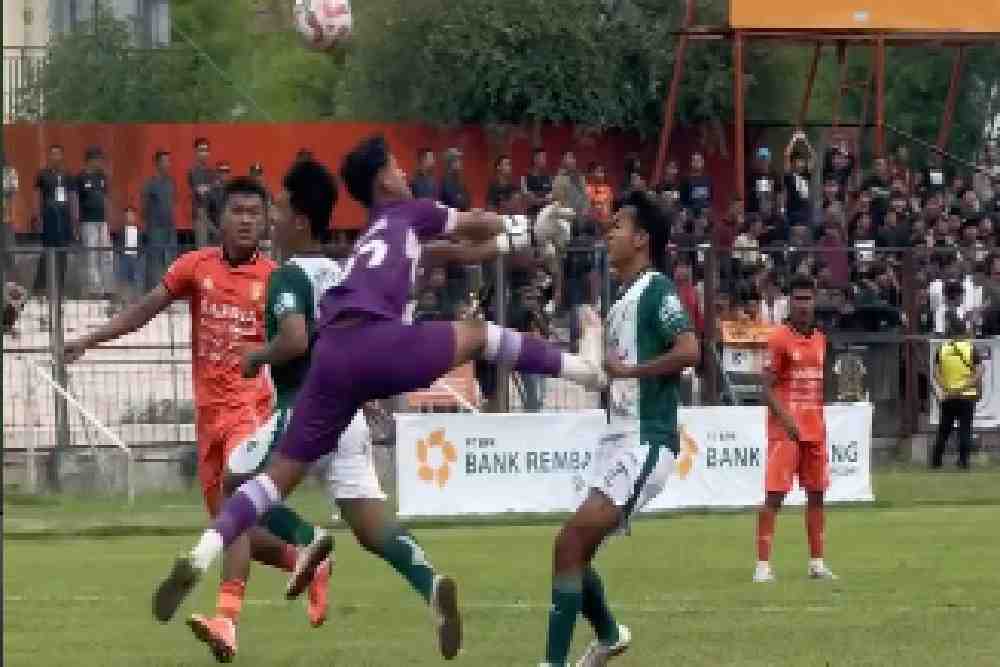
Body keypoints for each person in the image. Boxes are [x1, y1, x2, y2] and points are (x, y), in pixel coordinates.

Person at [152, 135, 608, 658]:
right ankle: (585, 373)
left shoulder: (330, 257)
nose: (269, 219)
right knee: (376, 512)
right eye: (397, 164)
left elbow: (304, 334)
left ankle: (206, 559)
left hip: (324, 384)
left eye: (274, 209)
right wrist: (527, 231)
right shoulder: (370, 243)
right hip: (368, 375)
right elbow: (467, 234)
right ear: (384, 178)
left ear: (297, 220)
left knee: (253, 482)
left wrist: (256, 358)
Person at [539, 190, 699, 667]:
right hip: (617, 439)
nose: (609, 234)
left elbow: (689, 350)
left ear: (642, 238)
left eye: (617, 227)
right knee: (573, 552)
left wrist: (630, 373)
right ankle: (608, 635)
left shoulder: (658, 290)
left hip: (647, 440)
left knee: (568, 544)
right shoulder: (622, 299)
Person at [754, 274, 838, 584]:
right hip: (785, 431)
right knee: (774, 496)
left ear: (815, 301)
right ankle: (762, 565)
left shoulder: (820, 339)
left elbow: (818, 383)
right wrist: (785, 419)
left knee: (817, 495)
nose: (804, 305)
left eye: (808, 298)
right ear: (790, 302)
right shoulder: (778, 338)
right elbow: (765, 386)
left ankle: (817, 562)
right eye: (798, 299)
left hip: (814, 429)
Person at [931, 310, 981, 470]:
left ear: (951, 332)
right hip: (966, 396)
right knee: (965, 429)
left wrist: (945, 387)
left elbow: (935, 372)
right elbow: (979, 372)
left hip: (948, 396)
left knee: (944, 429)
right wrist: (965, 387)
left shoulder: (942, 349)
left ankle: (936, 461)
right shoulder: (971, 349)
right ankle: (963, 461)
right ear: (964, 331)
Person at [32, 144, 75, 299]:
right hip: (48, 218)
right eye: (52, 154)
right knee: (47, 253)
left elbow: (72, 197)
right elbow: (37, 195)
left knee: (62, 254)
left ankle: (59, 289)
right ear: (49, 156)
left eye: (58, 154)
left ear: (62, 156)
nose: (55, 157)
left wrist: (74, 220)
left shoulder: (68, 175)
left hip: (63, 220)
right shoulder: (42, 175)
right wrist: (37, 217)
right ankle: (40, 289)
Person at [76, 146, 112, 296]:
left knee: (106, 253)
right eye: (97, 159)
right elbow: (76, 199)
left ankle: (108, 287)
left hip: (102, 221)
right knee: (91, 255)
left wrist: (109, 218)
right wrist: (76, 222)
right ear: (90, 160)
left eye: (100, 159)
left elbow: (106, 197)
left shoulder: (102, 177)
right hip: (88, 221)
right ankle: (94, 289)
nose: (100, 162)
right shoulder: (81, 177)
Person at [142, 150, 177, 289]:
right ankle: (152, 291)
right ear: (157, 163)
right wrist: (149, 224)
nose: (167, 164)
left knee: (169, 260)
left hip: (170, 227)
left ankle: (169, 290)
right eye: (164, 161)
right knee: (154, 260)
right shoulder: (150, 184)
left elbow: (171, 203)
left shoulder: (170, 183)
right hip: (155, 227)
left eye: (169, 161)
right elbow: (144, 206)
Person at [188, 138, 217, 248]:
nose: (204, 153)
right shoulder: (193, 172)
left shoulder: (211, 172)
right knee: (202, 250)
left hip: (212, 214)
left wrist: (210, 188)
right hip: (201, 214)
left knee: (213, 251)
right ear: (196, 152)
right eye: (201, 150)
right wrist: (212, 187)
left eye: (206, 150)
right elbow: (200, 191)